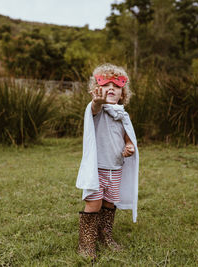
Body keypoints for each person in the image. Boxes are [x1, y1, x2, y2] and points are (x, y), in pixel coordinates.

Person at [76, 63, 139, 259]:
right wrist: (97, 102)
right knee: (94, 203)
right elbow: (94, 107)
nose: (111, 88)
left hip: (115, 168)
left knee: (110, 203)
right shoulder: (97, 110)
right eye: (105, 85)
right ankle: (86, 243)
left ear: (123, 93)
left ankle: (105, 236)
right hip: (97, 168)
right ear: (97, 89)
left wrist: (129, 146)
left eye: (117, 86)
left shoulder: (122, 115)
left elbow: (128, 136)